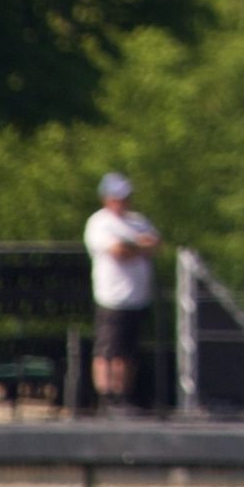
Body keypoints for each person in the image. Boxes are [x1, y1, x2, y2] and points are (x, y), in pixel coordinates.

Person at [83, 172, 160, 411]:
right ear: (106, 198)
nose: (123, 201)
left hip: (137, 297)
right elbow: (117, 250)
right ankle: (108, 396)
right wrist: (138, 246)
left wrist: (132, 246)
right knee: (109, 351)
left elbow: (155, 244)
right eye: (118, 197)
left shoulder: (138, 220)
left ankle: (124, 395)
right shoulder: (100, 222)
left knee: (128, 353)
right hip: (112, 298)